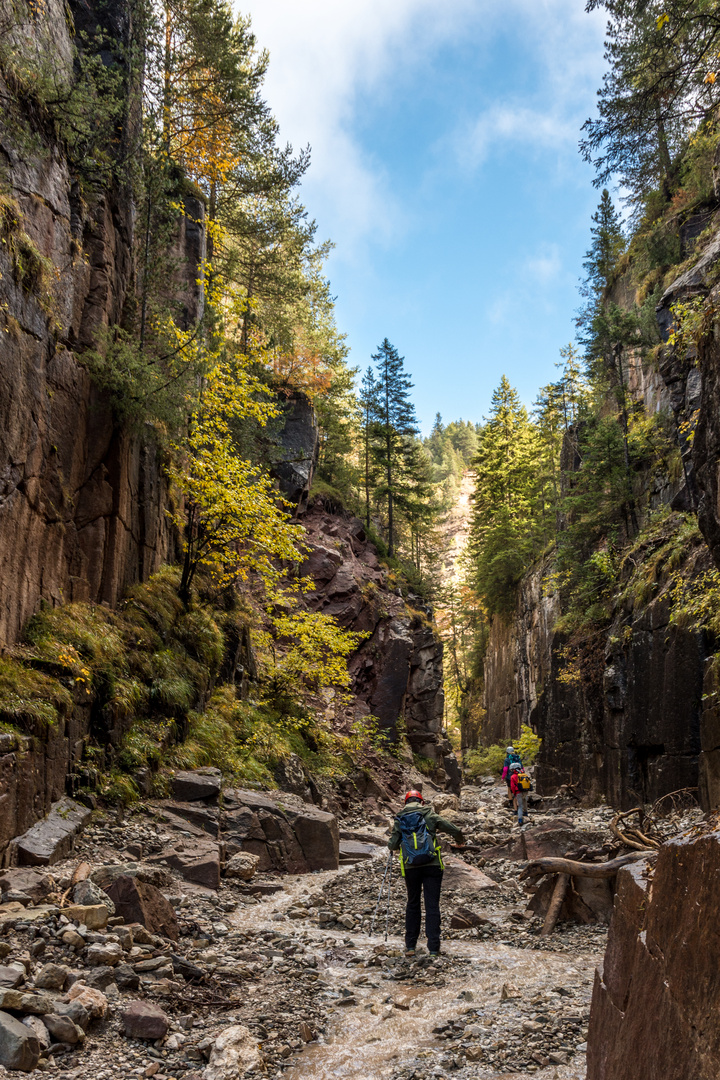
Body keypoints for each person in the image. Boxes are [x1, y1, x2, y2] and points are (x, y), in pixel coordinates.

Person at [388, 790, 465, 957]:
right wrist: (460, 842)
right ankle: (434, 949)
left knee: (413, 903)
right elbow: (454, 829)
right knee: (432, 905)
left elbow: (393, 844)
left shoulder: (400, 817)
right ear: (422, 802)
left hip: (410, 867)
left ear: (406, 803)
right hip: (432, 865)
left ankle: (410, 947)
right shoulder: (429, 814)